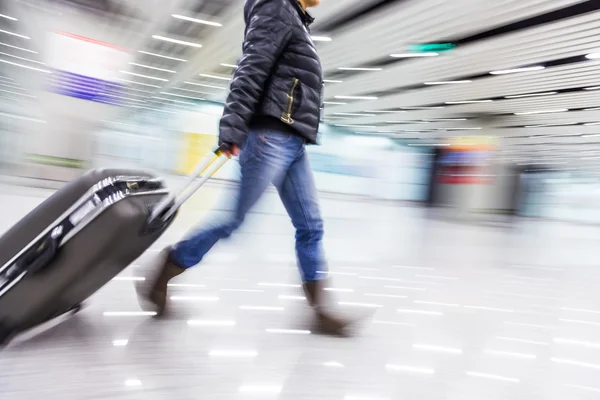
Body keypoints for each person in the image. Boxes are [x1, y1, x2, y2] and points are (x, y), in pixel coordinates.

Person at [139, 0, 357, 335]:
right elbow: (252, 66)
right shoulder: (276, 8)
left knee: (311, 226)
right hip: (270, 137)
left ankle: (321, 312)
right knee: (232, 219)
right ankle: (166, 269)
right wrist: (233, 126)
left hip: (293, 141)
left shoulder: (296, 20)